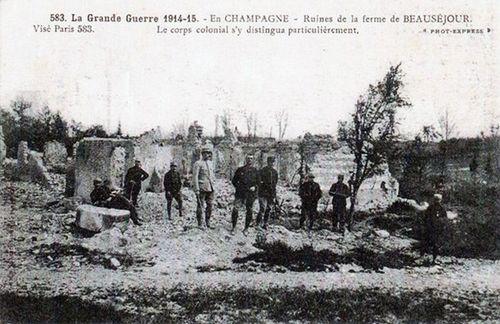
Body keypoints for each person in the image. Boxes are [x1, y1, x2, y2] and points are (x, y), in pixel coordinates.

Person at [231, 154, 260, 234]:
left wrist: (255, 187)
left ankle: (246, 229)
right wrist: (239, 187)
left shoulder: (255, 171)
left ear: (253, 160)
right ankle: (233, 227)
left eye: (251, 158)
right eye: (248, 158)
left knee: (249, 210)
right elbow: (234, 181)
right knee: (235, 209)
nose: (249, 160)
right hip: (240, 193)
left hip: (250, 194)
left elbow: (258, 183)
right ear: (245, 159)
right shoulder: (240, 170)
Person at [192, 146, 216, 228]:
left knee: (210, 205)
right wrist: (196, 189)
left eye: (208, 153)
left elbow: (212, 176)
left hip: (210, 188)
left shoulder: (211, 163)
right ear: (202, 154)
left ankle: (208, 222)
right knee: (200, 206)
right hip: (202, 188)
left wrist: (214, 186)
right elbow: (195, 176)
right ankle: (200, 224)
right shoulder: (198, 163)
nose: (207, 155)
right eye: (205, 153)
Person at [421, 194, 447, 263]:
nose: (437, 201)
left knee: (435, 244)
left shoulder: (441, 208)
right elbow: (426, 218)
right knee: (429, 243)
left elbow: (444, 219)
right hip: (431, 228)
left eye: (438, 200)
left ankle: (433, 259)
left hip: (436, 229)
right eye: (436, 200)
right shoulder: (431, 208)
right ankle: (425, 257)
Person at [256, 156, 278, 229]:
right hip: (262, 193)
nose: (272, 163)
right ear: (268, 162)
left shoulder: (275, 172)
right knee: (262, 208)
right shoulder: (262, 171)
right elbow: (258, 182)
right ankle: (258, 224)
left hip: (271, 193)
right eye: (270, 162)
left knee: (268, 209)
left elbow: (275, 184)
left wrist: (274, 195)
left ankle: (265, 223)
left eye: (273, 162)